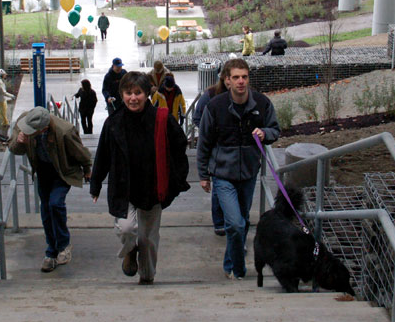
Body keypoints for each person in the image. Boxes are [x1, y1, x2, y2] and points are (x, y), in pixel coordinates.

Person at [90, 71, 190, 285]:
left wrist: (178, 177)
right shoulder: (113, 123)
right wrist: (96, 184)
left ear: (147, 94)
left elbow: (180, 146)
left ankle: (147, 275)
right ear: (121, 94)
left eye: (138, 93)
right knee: (127, 228)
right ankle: (129, 250)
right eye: (128, 93)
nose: (133, 98)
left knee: (148, 238)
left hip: (153, 186)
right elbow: (103, 155)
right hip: (124, 186)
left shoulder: (162, 119)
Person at [197, 58, 280, 280]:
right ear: (227, 80)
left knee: (241, 221)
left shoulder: (262, 104)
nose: (241, 81)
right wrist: (203, 175)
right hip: (223, 174)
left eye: (244, 77)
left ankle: (228, 265)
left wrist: (265, 133)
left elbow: (275, 130)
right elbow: (203, 141)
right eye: (235, 77)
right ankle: (239, 269)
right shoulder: (215, 107)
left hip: (249, 173)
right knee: (234, 223)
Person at [10, 107, 92, 273]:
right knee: (46, 210)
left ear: (43, 129)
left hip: (62, 172)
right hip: (42, 170)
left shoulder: (64, 131)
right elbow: (13, 149)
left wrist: (87, 169)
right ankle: (51, 251)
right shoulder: (25, 122)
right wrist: (20, 141)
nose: (28, 132)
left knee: (55, 204)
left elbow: (81, 153)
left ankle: (63, 245)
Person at [192, 61, 233, 237]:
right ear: (223, 78)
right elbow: (196, 117)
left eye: (242, 77)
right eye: (232, 77)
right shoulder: (210, 95)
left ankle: (233, 222)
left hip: (236, 152)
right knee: (218, 188)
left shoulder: (247, 96)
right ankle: (220, 222)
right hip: (217, 151)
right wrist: (209, 131)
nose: (237, 82)